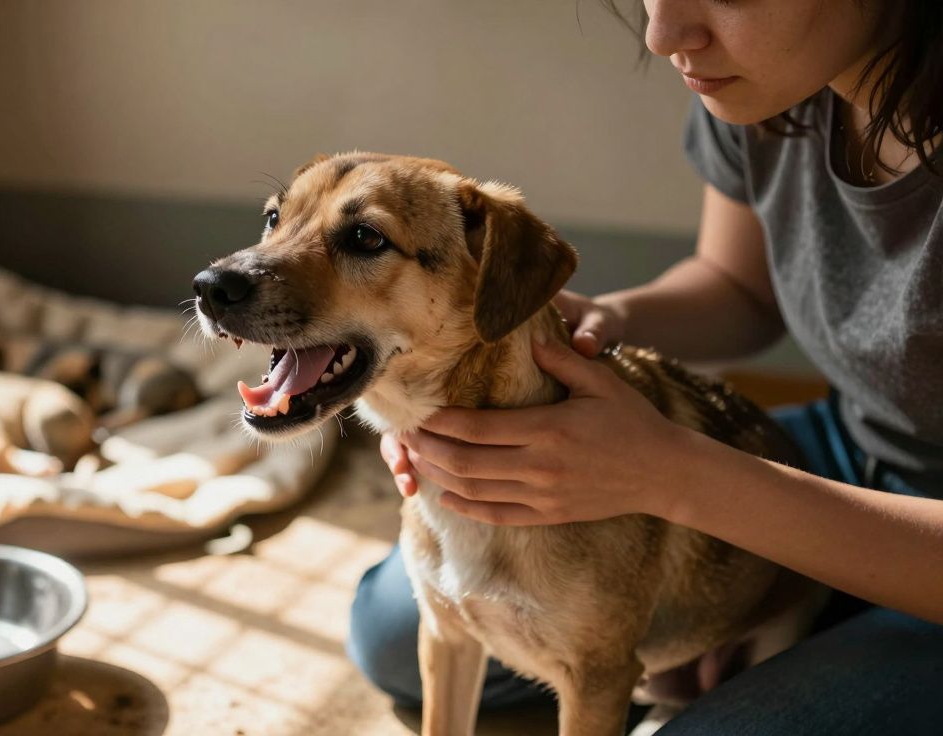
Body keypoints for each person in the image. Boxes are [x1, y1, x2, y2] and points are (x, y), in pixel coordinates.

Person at [346, 1, 943, 733]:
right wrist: (601, 325)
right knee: (390, 634)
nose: (664, 37)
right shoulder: (775, 89)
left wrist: (678, 477)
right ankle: (788, 621)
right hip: (850, 446)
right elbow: (739, 286)